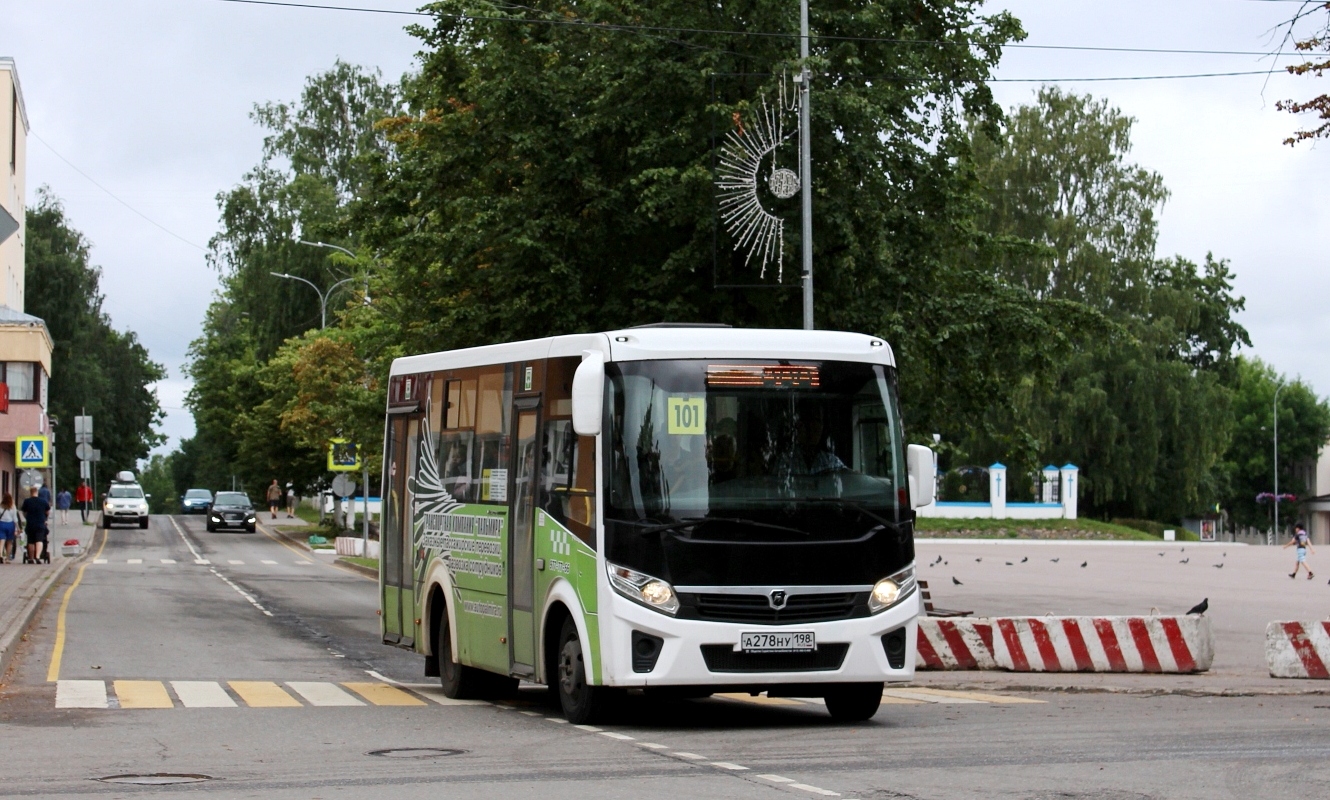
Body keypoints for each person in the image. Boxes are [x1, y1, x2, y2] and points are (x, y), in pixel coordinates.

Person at [19, 486, 51, 564]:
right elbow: (47, 511)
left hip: (30, 524)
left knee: (30, 541)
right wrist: (45, 519)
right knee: (39, 540)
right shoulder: (43, 501)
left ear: (30, 493)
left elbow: (23, 511)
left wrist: (26, 517)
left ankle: (31, 558)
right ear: (37, 492)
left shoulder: (27, 501)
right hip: (40, 523)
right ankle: (37, 557)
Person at [0, 494, 15, 563]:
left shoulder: (0, 506)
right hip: (10, 525)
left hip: (1, 524)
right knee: (9, 542)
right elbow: (15, 518)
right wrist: (18, 528)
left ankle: (0, 554)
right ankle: (7, 558)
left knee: (1, 541)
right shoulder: (12, 507)